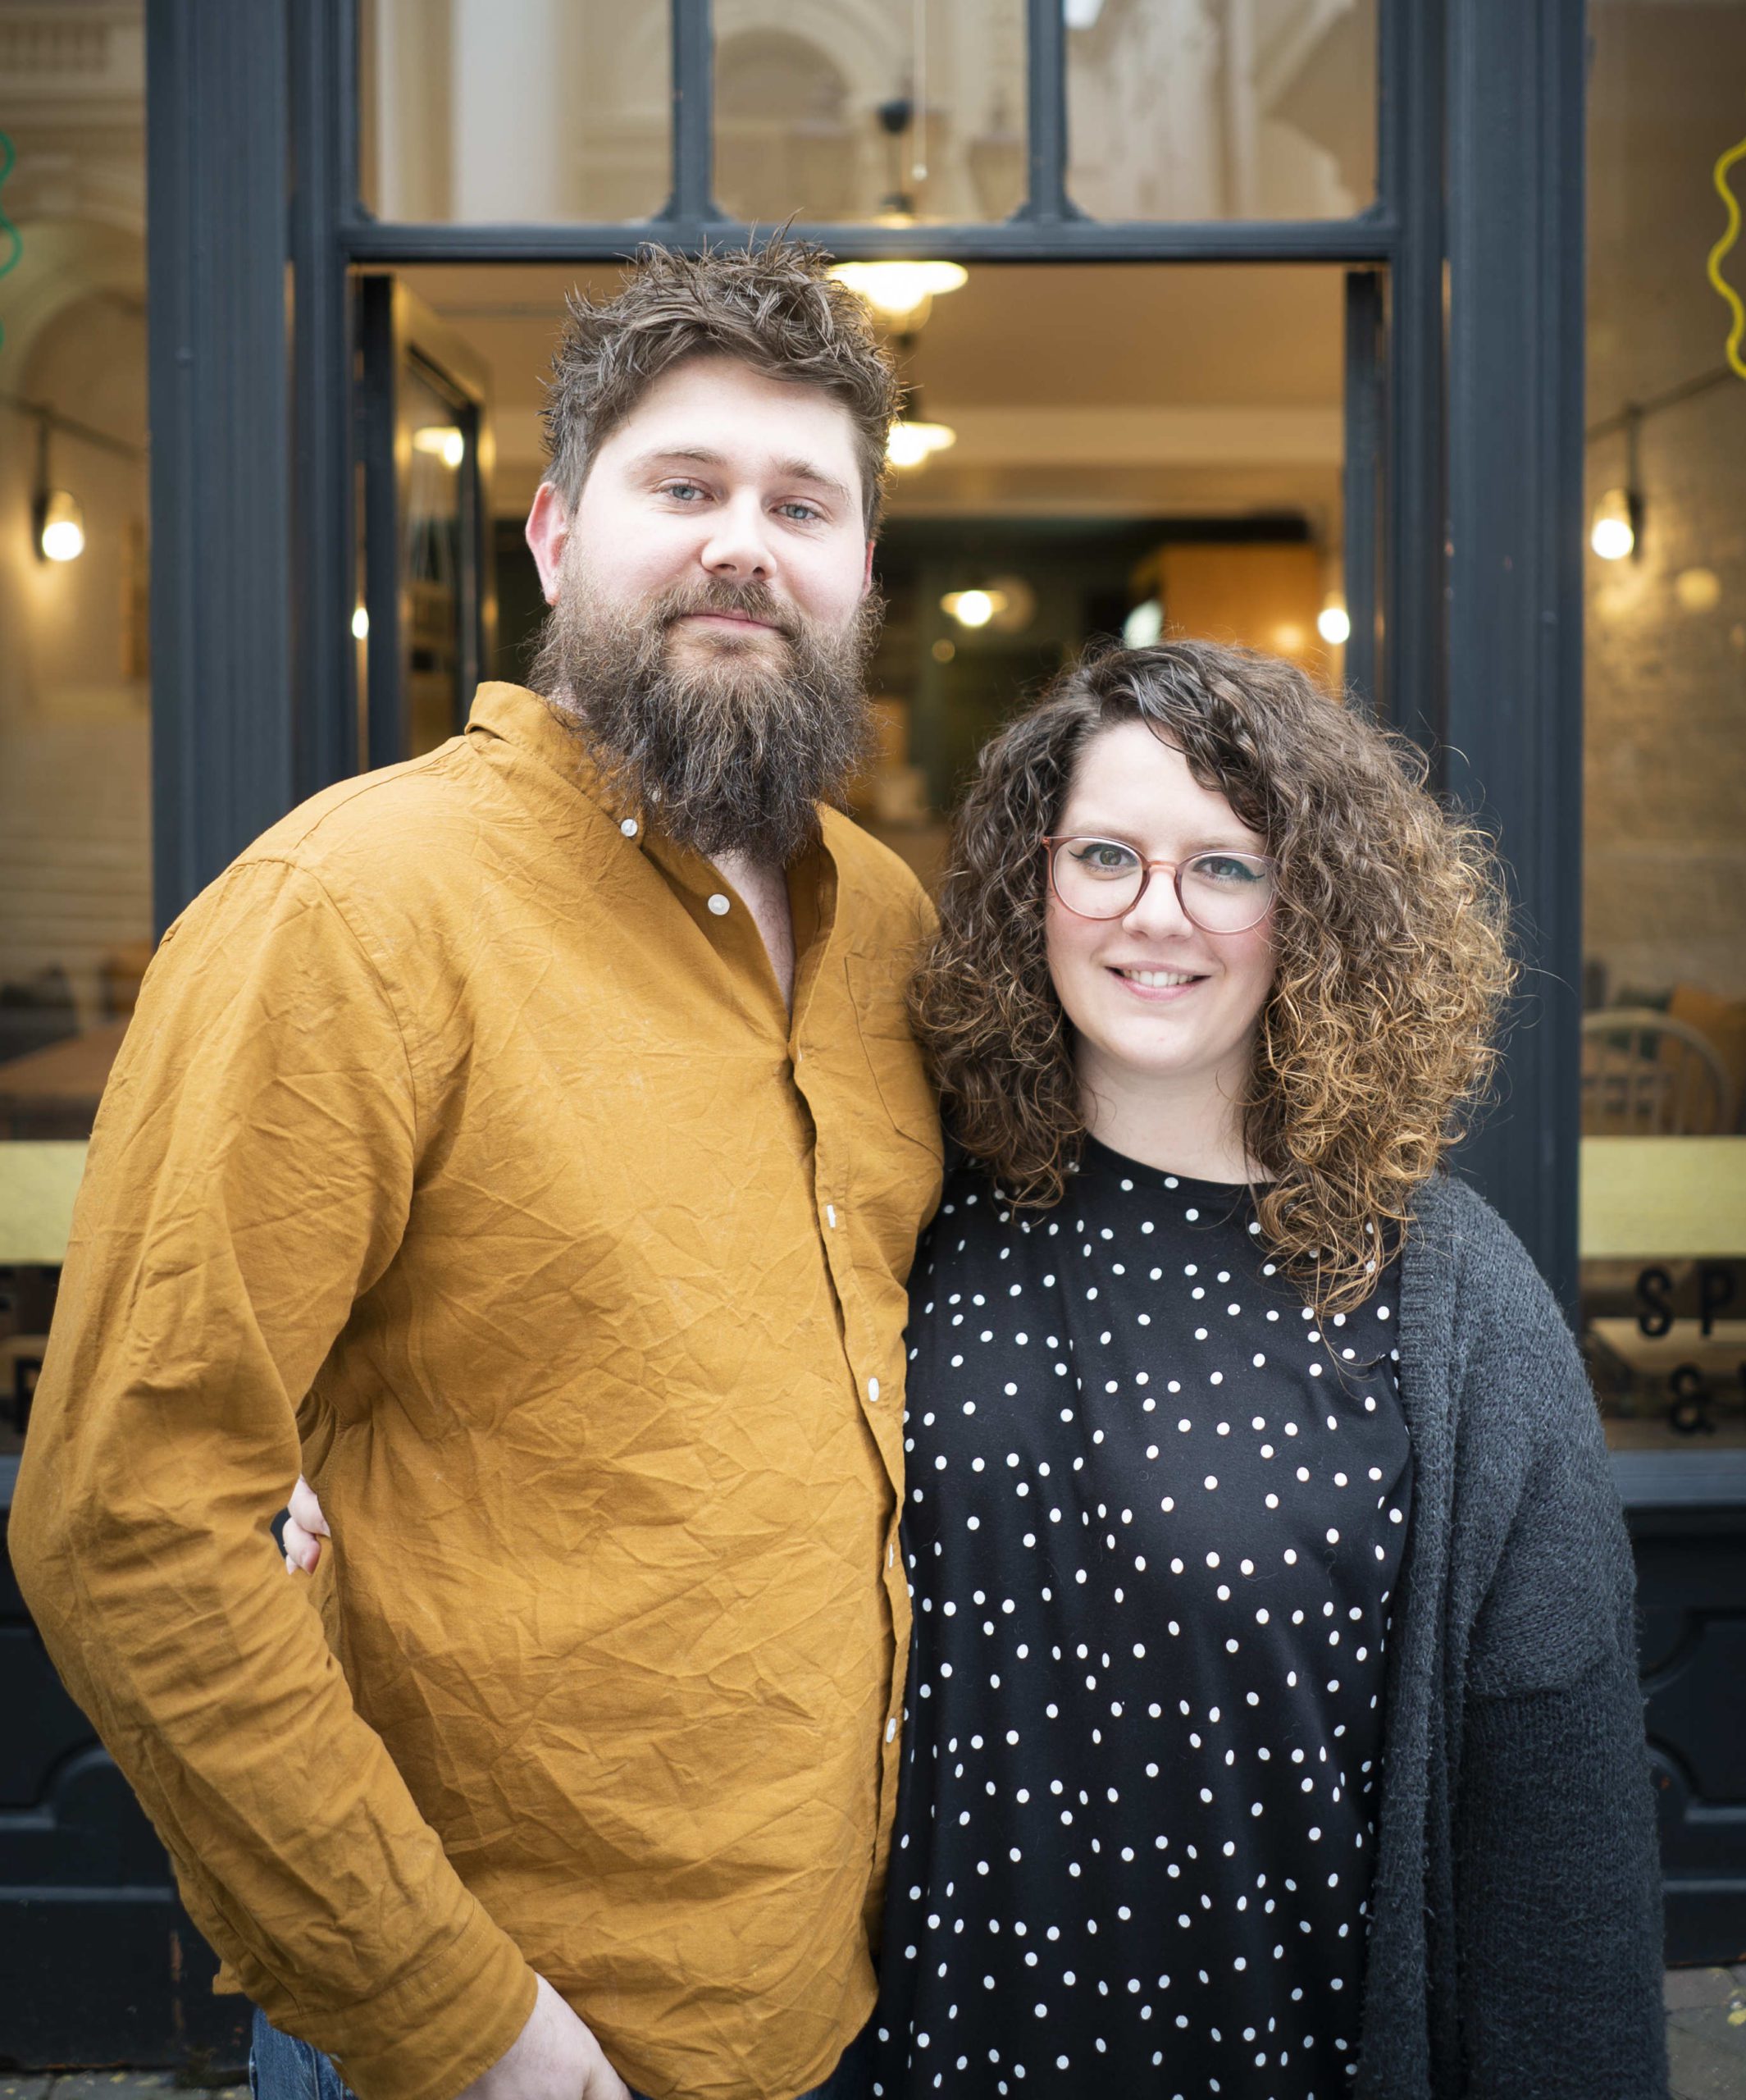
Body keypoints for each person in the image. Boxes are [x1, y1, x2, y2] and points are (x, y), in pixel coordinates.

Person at [288, 640, 1669, 2095]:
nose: (1157, 915)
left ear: (1313, 909)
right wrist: (314, 1447)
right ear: (1031, 883)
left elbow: (1556, 1846)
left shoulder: (1443, 1302)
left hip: (1259, 2051)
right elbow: (605, 1346)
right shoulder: (900, 1202)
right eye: (1106, 856)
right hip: (892, 2055)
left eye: (1226, 869)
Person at [9, 240, 943, 2100]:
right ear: (552, 536)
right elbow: (131, 1512)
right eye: (682, 487)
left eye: (800, 501)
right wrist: (462, 2019)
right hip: (513, 2030)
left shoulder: (889, 926)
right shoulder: (351, 910)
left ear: (857, 574)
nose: (741, 544)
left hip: (832, 1988)